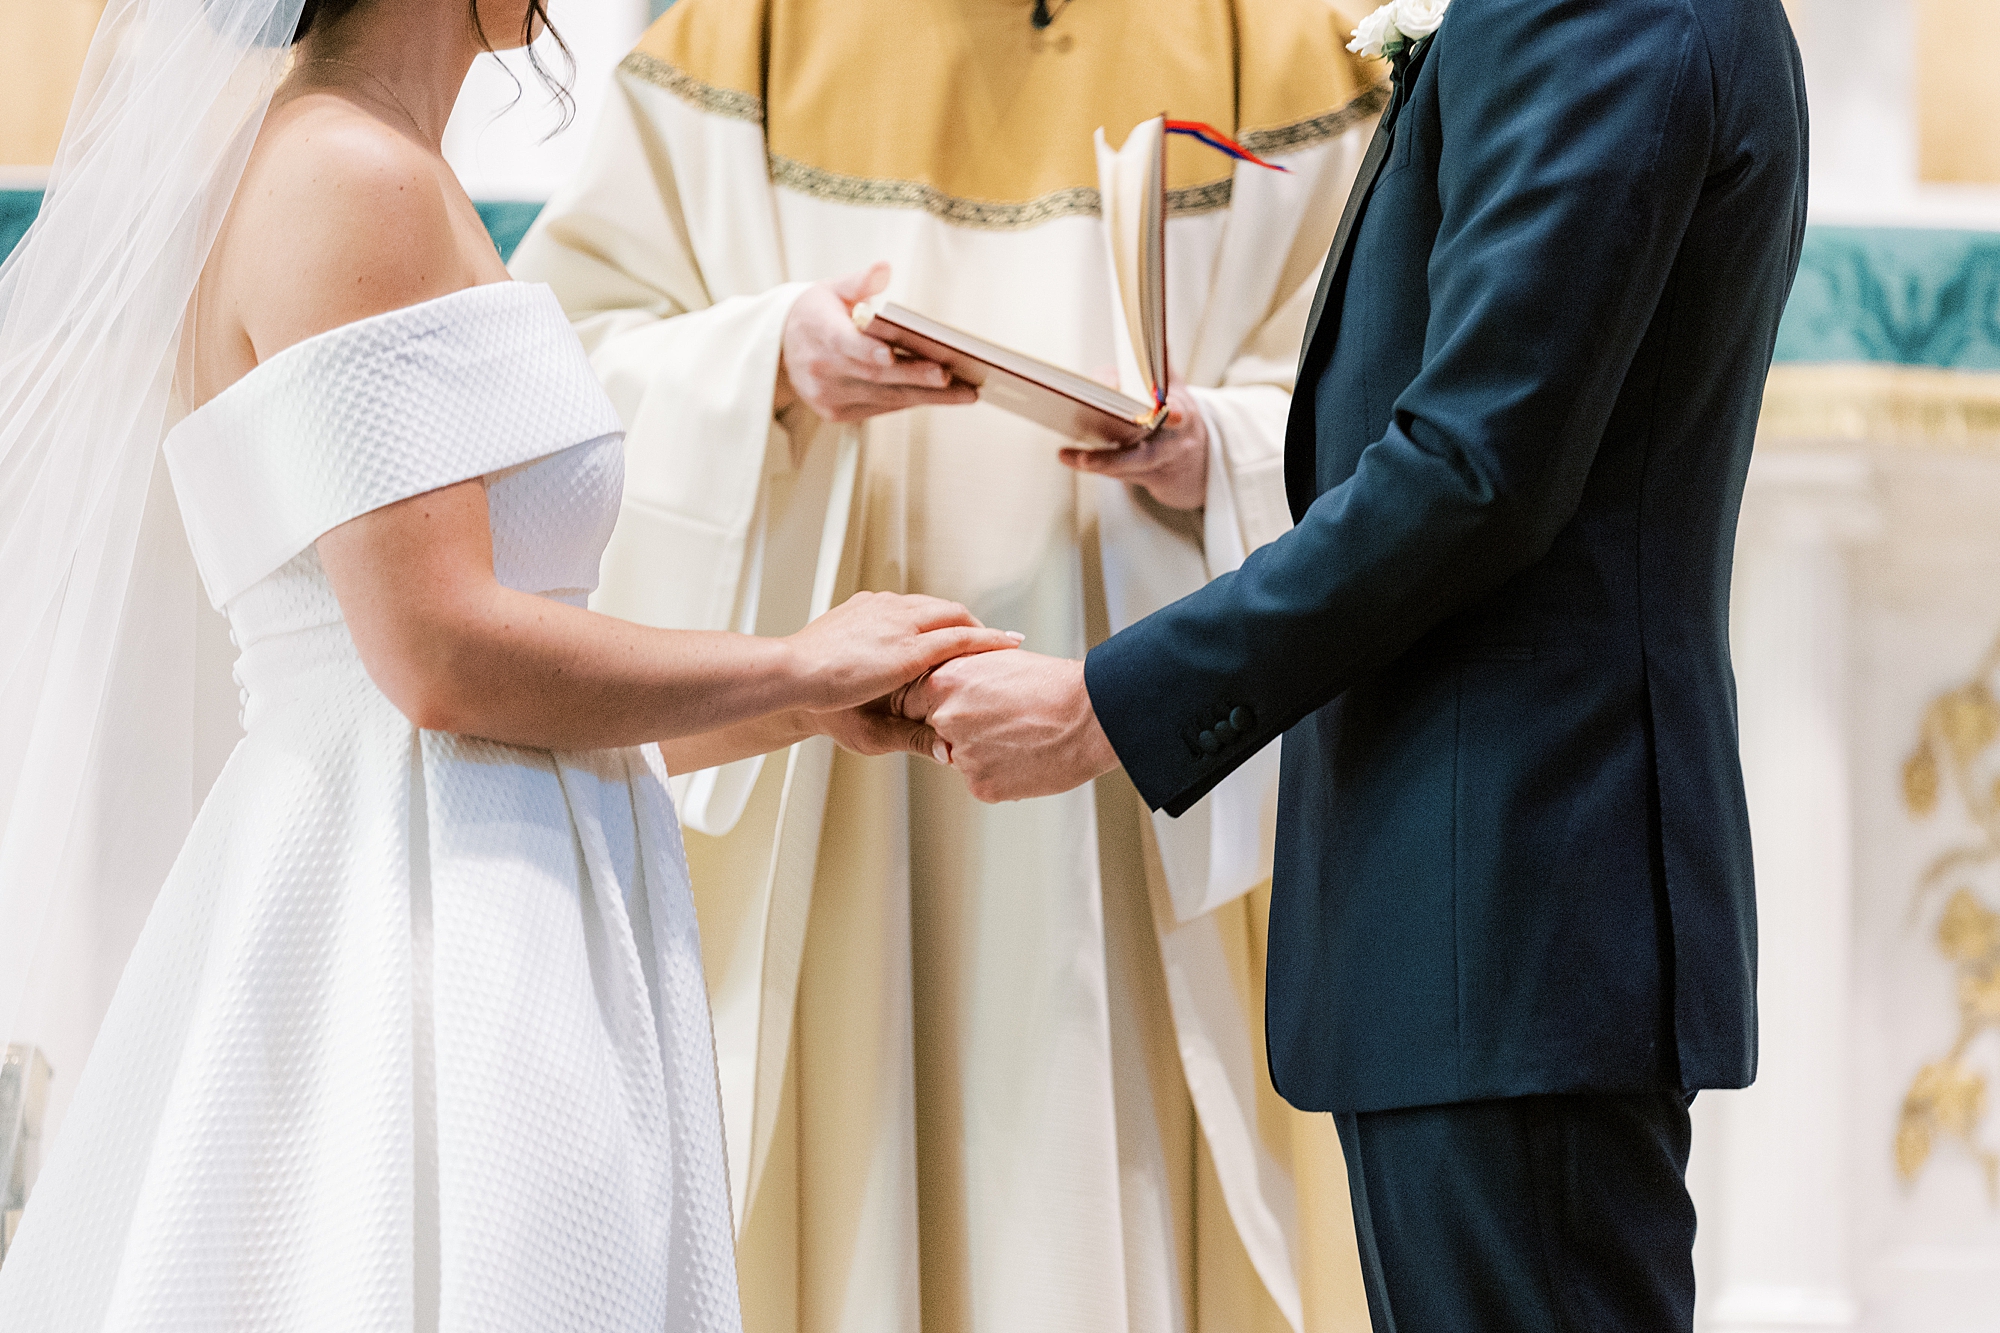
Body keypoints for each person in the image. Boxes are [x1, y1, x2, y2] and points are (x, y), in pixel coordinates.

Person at [0, 0, 1019, 1325]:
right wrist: (792, 661)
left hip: (489, 851)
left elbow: (495, 678)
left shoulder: (392, 167)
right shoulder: (345, 175)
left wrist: (808, 705)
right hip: (430, 915)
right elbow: (436, 658)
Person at [906, 0, 1810, 1327]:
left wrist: (1107, 701)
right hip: (1480, 909)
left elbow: (1477, 472)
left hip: (1514, 889)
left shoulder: (1600, 12)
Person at [509, 3, 1386, 1329]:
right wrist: (773, 359)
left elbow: (1403, 400)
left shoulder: (1274, 41)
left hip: (1135, 758)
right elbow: (562, 361)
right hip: (840, 760)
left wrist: (1226, 446)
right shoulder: (747, 28)